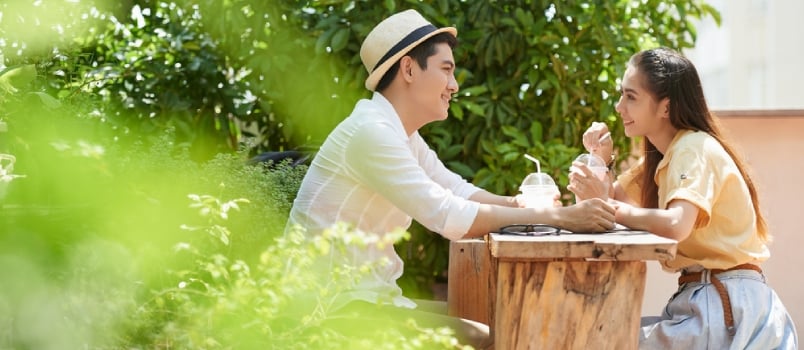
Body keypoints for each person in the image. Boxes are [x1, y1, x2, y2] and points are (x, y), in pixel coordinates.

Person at [285, 9, 617, 348]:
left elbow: (453, 187)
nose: (454, 85)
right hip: (330, 310)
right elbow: (448, 216)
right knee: (495, 339)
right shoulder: (371, 133)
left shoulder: (398, 133)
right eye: (446, 69)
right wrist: (560, 217)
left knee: (488, 316)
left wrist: (515, 204)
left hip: (365, 299)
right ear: (409, 69)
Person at [569, 47, 798, 349]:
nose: (618, 106)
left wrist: (610, 207)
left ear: (665, 106)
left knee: (598, 338)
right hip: (714, 302)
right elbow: (611, 200)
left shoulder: (692, 148)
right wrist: (601, 159)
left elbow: (677, 224)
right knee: (601, 335)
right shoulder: (665, 155)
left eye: (631, 97)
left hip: (724, 307)